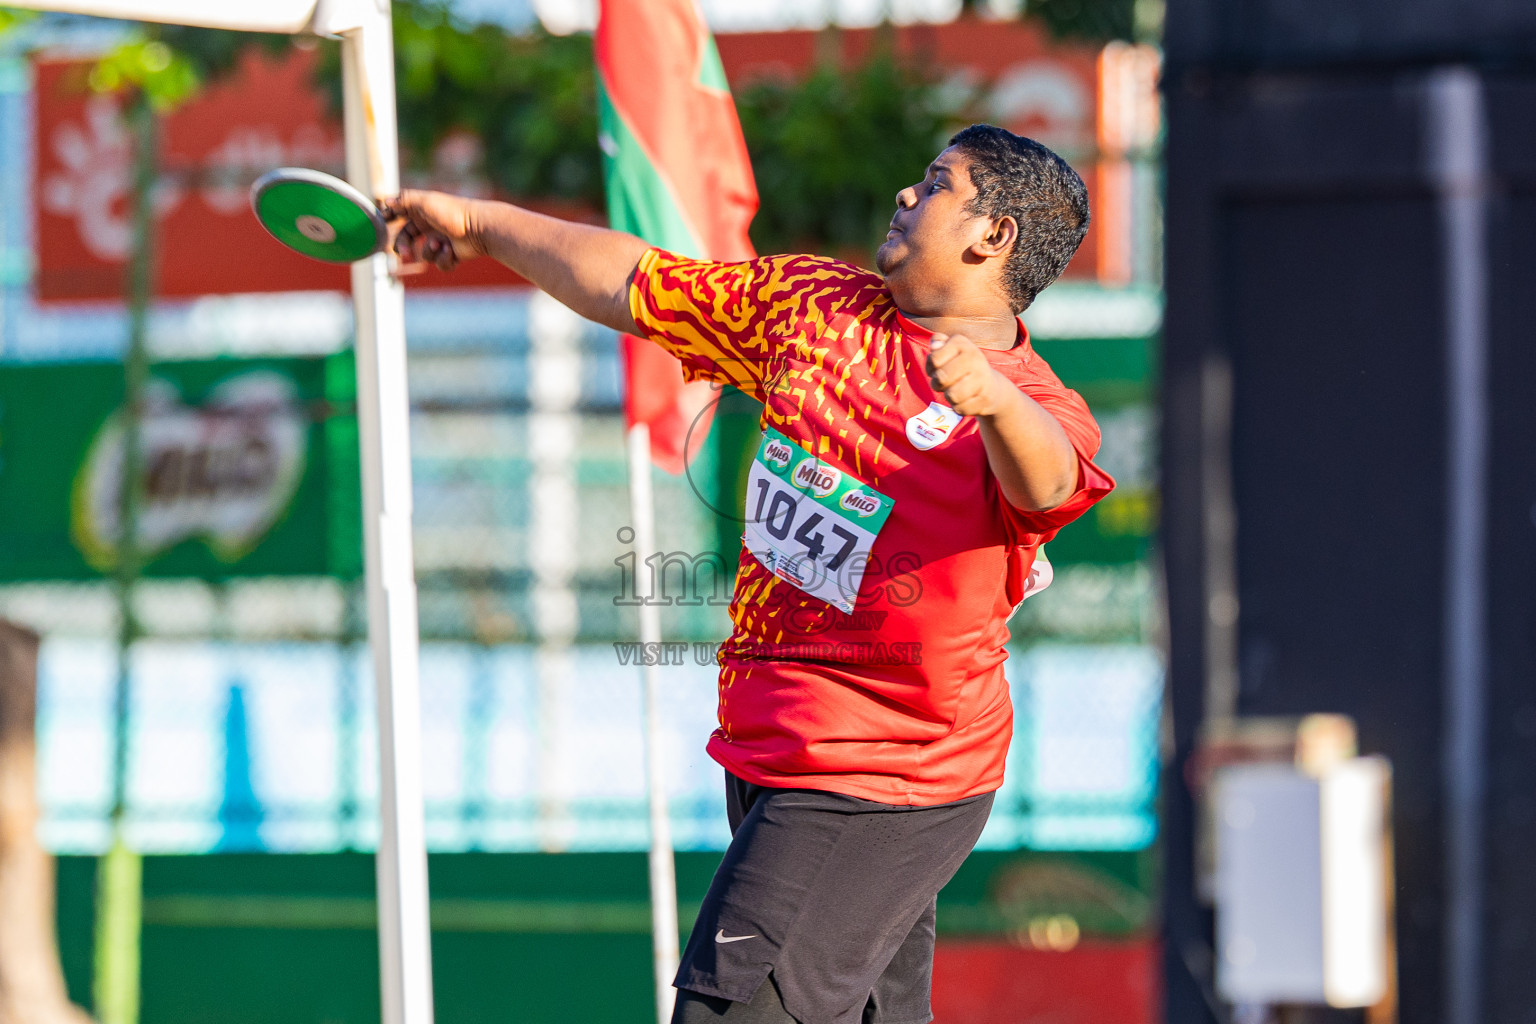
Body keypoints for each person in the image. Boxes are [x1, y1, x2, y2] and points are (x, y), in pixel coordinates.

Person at [385, 123, 1114, 1024]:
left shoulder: (1034, 401)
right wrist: (480, 221)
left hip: (881, 774)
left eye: (936, 184)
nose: (905, 195)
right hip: (775, 750)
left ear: (991, 237)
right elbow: (635, 281)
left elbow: (1047, 480)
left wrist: (994, 401)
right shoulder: (812, 305)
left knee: (725, 1012)